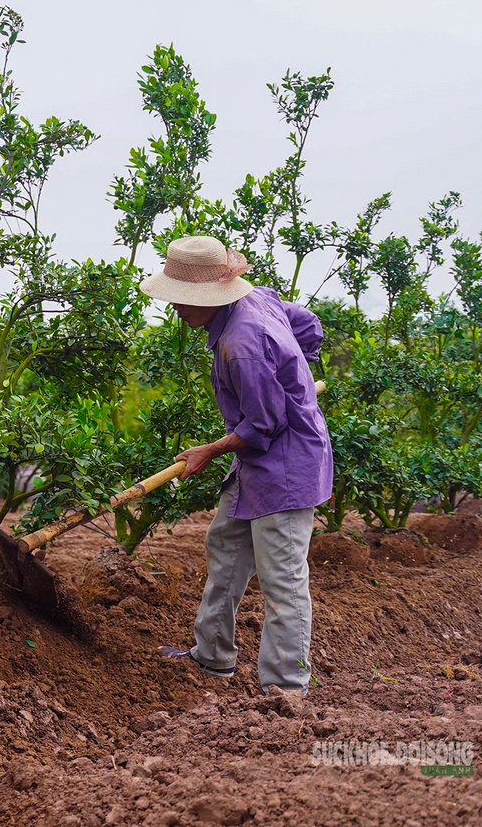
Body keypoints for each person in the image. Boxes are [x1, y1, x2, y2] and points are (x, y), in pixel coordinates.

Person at [142, 236, 333, 698]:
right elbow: (308, 325)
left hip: (285, 466)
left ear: (208, 296)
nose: (175, 309)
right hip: (256, 462)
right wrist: (296, 374)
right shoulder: (258, 297)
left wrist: (209, 448)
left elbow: (265, 423)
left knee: (282, 577)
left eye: (181, 300)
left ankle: (286, 690)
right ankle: (211, 655)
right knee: (225, 542)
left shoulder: (242, 343)